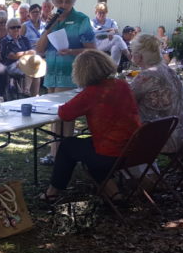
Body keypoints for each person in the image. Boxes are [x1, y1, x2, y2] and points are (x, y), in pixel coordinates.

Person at [39, 50, 140, 203]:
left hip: (111, 151)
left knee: (68, 146)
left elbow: (65, 114)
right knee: (86, 149)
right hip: (134, 146)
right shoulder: (121, 84)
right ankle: (114, 195)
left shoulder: (92, 93)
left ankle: (52, 191)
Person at [36, 0, 97, 166]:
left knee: (66, 116)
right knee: (55, 116)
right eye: (60, 1)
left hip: (70, 73)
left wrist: (71, 51)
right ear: (54, 2)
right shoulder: (52, 21)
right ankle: (55, 152)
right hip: (52, 73)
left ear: (74, 1)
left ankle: (65, 155)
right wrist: (49, 28)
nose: (64, 5)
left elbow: (92, 49)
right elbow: (39, 49)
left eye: (68, 1)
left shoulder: (81, 20)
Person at [129, 34, 183, 154]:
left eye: (133, 52)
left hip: (162, 140)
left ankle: (139, 170)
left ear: (139, 56)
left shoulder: (146, 76)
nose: (131, 55)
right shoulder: (168, 70)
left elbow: (127, 103)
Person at [1, 18, 41, 97]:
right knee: (29, 65)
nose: (16, 29)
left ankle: (33, 94)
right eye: (13, 27)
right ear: (8, 29)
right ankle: (27, 91)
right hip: (11, 65)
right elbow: (11, 56)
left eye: (18, 27)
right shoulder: (5, 41)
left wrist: (24, 55)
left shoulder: (24, 39)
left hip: (26, 63)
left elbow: (32, 52)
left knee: (35, 70)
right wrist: (25, 53)